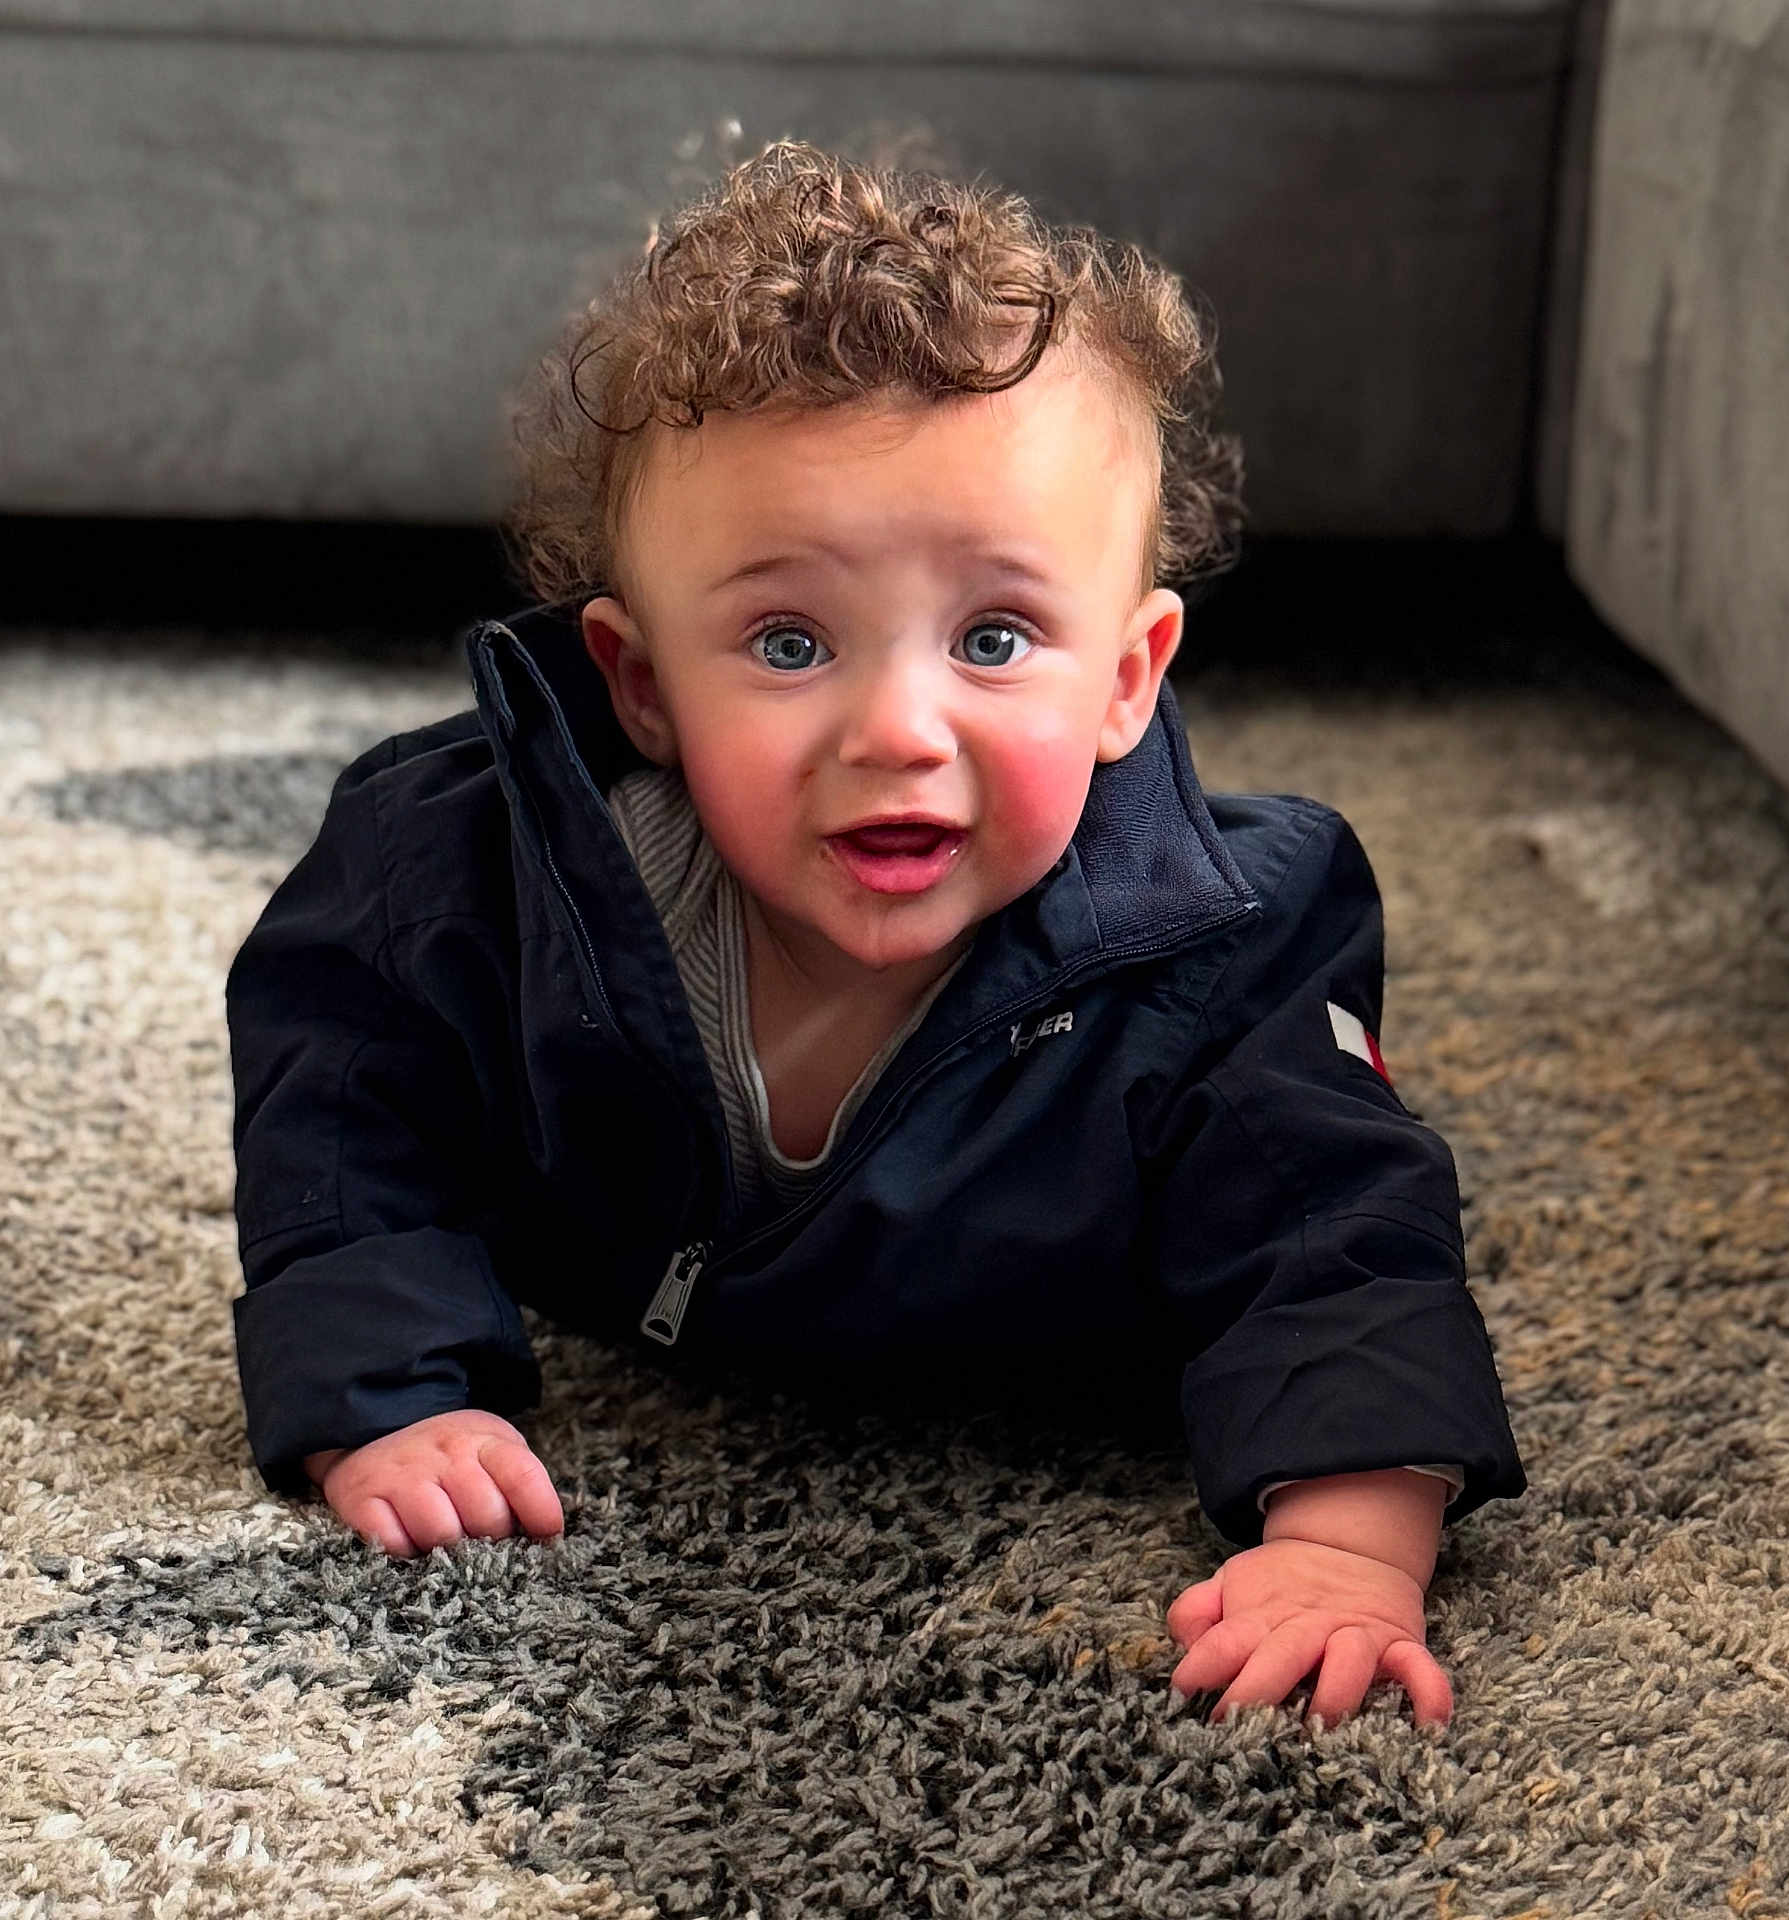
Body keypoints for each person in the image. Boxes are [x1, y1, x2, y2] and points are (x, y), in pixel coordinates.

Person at [226, 141, 1525, 1729]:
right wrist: (385, 1390)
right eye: (790, 642)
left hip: (1022, 1332)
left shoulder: (1225, 950)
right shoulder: (464, 871)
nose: (899, 729)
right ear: (639, 683)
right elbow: (349, 1110)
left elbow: (1334, 1238)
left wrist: (1345, 1544)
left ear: (1130, 675)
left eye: (995, 639)